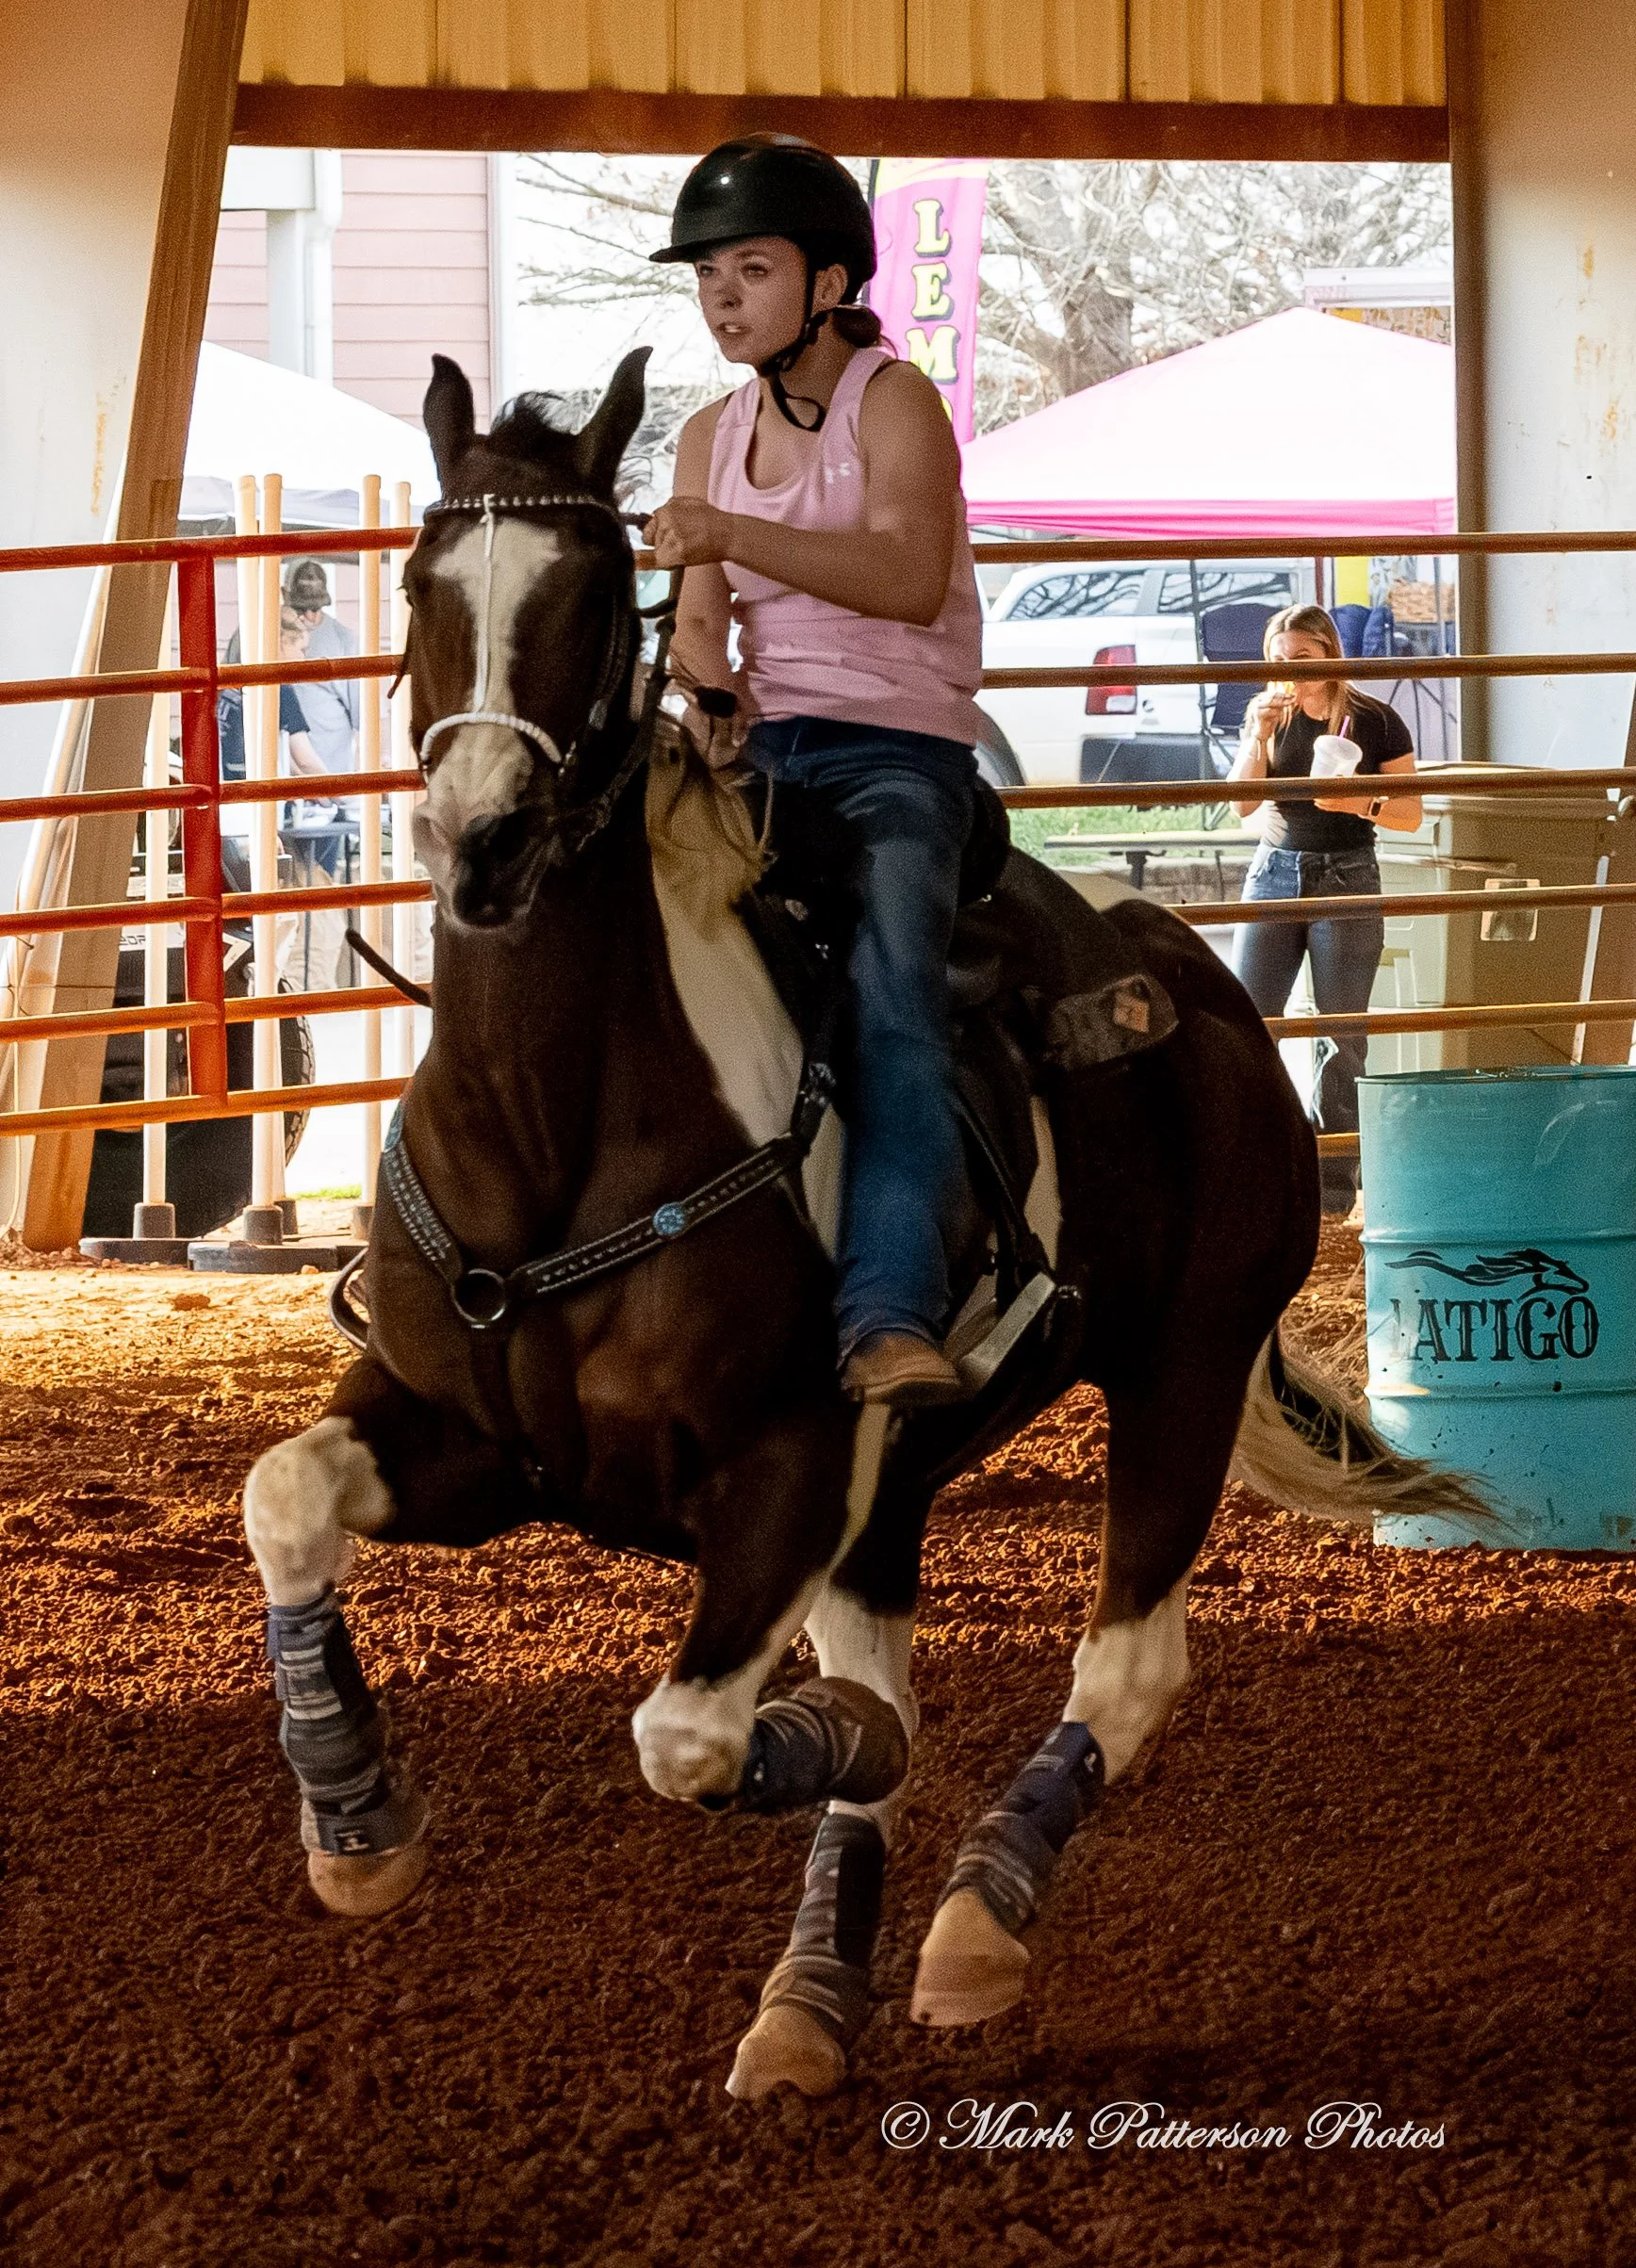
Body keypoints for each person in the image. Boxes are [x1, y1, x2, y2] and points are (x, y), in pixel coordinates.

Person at [643, 135, 989, 1407]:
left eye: (749, 267)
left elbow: (904, 579)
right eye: (707, 276)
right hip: (770, 749)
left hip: (899, 749)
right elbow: (697, 615)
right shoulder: (705, 433)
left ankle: (889, 1309)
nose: (720, 295)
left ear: (831, 279)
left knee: (897, 1001)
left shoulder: (895, 401)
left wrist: (733, 529)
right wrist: (708, 683)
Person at [1228, 602, 1422, 1215]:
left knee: (1340, 1037)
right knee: (1249, 1023)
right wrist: (1255, 736)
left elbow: (1410, 812)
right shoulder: (1268, 716)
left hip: (1348, 875)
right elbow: (1239, 804)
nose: (1290, 671)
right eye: (1279, 660)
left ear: (1331, 655)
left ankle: (1333, 1191)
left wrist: (1356, 802)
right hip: (1275, 872)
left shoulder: (1375, 720)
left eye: (1302, 658)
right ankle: (1263, 1162)